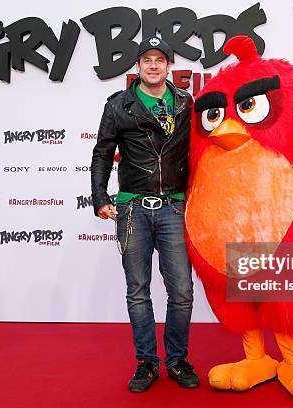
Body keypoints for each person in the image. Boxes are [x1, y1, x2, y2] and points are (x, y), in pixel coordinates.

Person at [90, 36, 199, 393]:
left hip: (174, 207)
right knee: (138, 291)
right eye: (146, 60)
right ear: (137, 66)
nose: (153, 65)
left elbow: (200, 153)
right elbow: (103, 153)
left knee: (181, 291)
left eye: (160, 59)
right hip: (133, 208)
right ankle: (147, 363)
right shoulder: (119, 104)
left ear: (169, 66)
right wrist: (99, 196)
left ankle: (178, 360)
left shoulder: (186, 103)